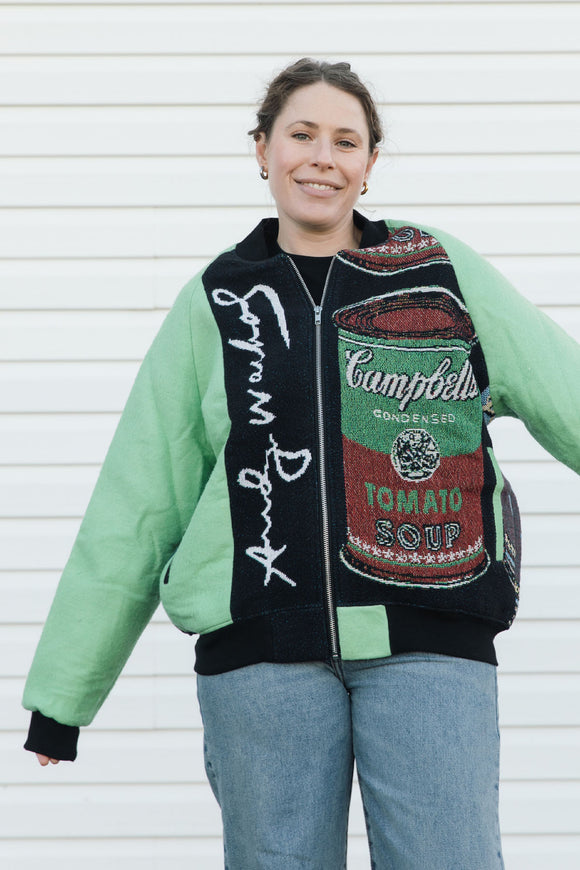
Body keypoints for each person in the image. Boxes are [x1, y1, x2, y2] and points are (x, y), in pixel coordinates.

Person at [23, 58, 579, 869]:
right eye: (302, 134)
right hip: (261, 658)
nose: (323, 157)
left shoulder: (438, 272)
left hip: (430, 642)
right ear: (263, 149)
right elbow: (139, 500)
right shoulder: (216, 300)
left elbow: (565, 390)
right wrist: (64, 697)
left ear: (370, 163)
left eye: (345, 141)